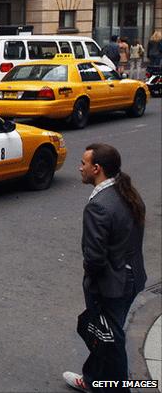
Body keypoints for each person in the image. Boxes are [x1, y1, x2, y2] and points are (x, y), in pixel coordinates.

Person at [63, 143, 147, 393]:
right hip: (131, 278)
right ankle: (92, 380)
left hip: (110, 286)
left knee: (109, 340)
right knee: (105, 333)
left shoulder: (99, 205)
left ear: (97, 168)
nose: (80, 168)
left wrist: (92, 284)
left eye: (83, 163)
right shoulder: (128, 192)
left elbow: (95, 258)